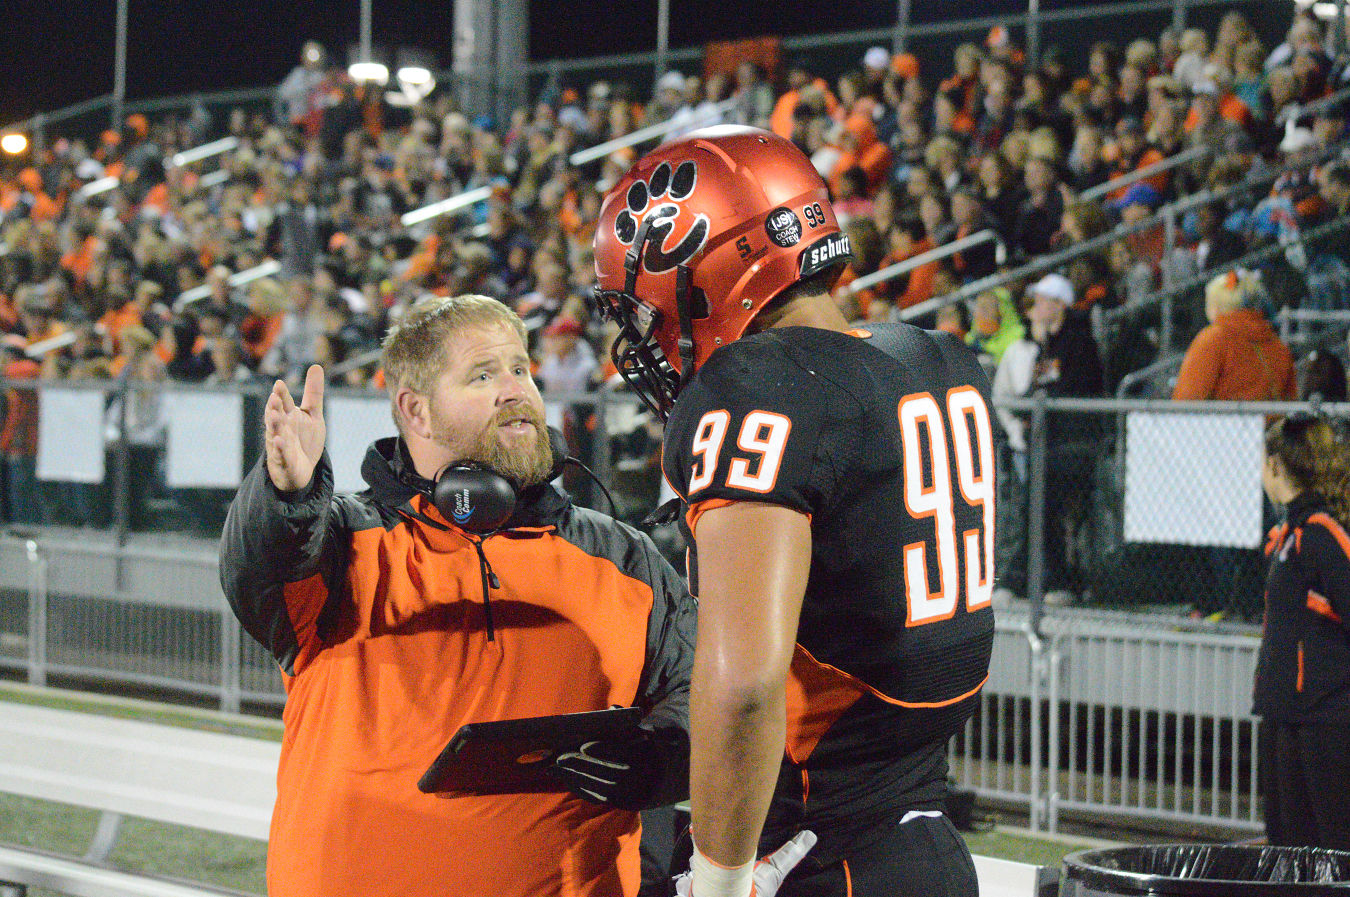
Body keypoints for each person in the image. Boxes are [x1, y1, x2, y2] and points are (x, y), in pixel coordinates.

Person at [594, 126, 994, 897]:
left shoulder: (758, 385)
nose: (645, 333)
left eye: (643, 305)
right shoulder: (937, 358)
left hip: (809, 854)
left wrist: (716, 879)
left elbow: (744, 684)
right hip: (922, 837)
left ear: (705, 267)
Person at [219, 294, 696, 897]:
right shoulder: (342, 543)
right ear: (415, 412)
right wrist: (286, 495)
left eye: (521, 368)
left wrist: (660, 760)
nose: (515, 388)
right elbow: (261, 567)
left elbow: (702, 692)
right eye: (482, 374)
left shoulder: (622, 556)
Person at [1255, 413, 1350, 851]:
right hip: (1285, 715)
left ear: (1276, 465)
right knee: (1286, 847)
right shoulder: (1288, 534)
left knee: (1329, 846)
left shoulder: (1322, 534)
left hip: (1324, 720)